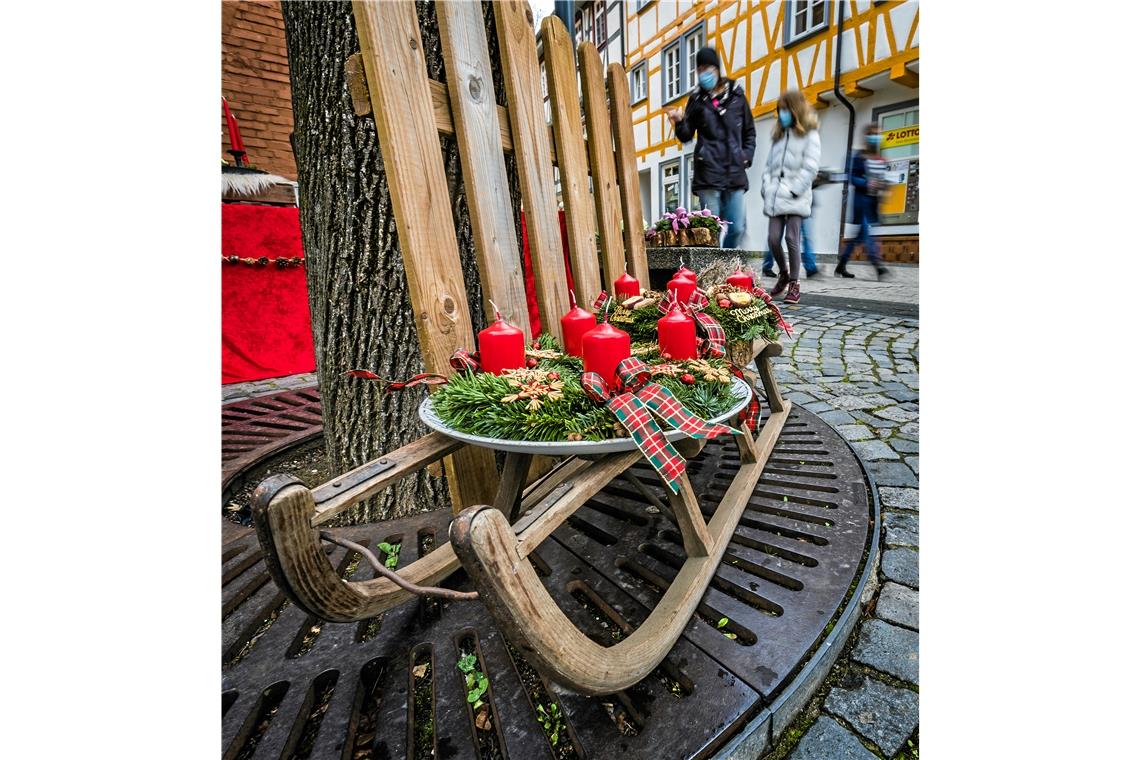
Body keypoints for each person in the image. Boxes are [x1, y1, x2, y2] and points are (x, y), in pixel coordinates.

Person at [667, 46, 755, 249]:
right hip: (708, 173)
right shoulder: (696, 99)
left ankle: (729, 269)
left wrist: (745, 157)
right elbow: (687, 136)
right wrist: (680, 122)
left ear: (717, 69)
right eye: (700, 70)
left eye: (708, 68)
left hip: (734, 172)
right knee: (711, 232)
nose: (704, 74)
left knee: (737, 228)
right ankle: (713, 272)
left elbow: (749, 133)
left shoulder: (737, 96)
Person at [760, 90, 821, 304]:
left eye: (785, 109)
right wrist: (767, 187)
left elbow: (811, 167)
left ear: (795, 110)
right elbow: (768, 167)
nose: (781, 114)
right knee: (773, 239)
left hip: (796, 194)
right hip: (776, 195)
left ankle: (794, 284)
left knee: (792, 238)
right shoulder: (778, 137)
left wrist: (795, 189)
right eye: (780, 110)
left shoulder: (810, 134)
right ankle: (783, 274)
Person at [836, 124, 890, 279]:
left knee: (857, 237)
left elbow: (884, 180)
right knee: (867, 234)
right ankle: (878, 266)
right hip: (861, 203)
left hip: (873, 204)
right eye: (873, 134)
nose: (876, 137)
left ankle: (841, 265)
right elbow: (851, 177)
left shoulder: (881, 160)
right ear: (867, 137)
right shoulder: (858, 157)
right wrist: (867, 183)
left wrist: (884, 186)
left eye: (878, 134)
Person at [762, 170, 825, 278]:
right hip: (784, 200)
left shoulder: (808, 159)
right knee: (775, 237)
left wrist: (816, 179)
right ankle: (769, 266)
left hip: (804, 203)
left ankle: (809, 269)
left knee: (803, 237)